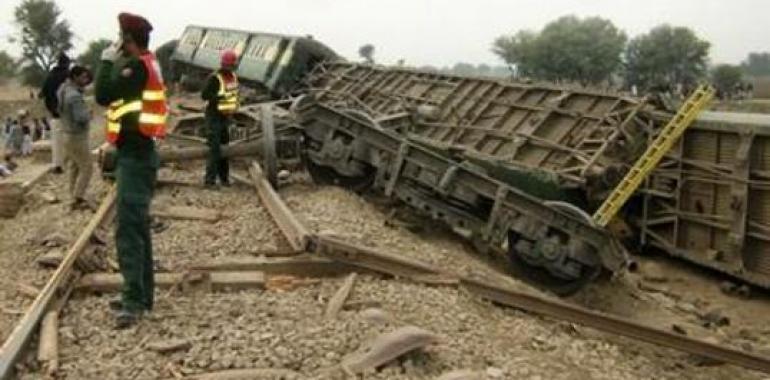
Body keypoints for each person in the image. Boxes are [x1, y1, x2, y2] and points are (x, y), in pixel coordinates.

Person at [95, 12, 167, 328]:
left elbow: (102, 94)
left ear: (128, 40)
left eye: (120, 39)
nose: (117, 45)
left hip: (136, 157)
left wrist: (105, 61)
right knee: (137, 228)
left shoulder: (135, 67)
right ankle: (142, 295)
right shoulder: (147, 64)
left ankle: (134, 300)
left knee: (128, 229)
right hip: (138, 153)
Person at [201, 49, 239, 188]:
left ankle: (224, 179)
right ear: (223, 64)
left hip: (225, 116)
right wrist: (218, 98)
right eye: (227, 65)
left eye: (231, 65)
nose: (229, 68)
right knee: (215, 148)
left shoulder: (233, 77)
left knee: (225, 148)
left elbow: (234, 94)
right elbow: (204, 95)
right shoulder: (215, 78)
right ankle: (209, 181)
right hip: (214, 116)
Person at [58, 65, 94, 210]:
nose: (86, 80)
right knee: (87, 167)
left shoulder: (63, 90)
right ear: (75, 77)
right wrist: (89, 114)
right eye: (83, 77)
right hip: (76, 136)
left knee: (75, 166)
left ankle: (73, 194)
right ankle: (79, 198)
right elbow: (80, 118)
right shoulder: (74, 96)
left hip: (66, 134)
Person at [39, 53, 71, 173]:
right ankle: (72, 163)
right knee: (71, 139)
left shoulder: (50, 76)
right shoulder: (68, 76)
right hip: (68, 113)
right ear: (67, 63)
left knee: (57, 140)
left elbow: (42, 94)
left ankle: (58, 165)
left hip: (54, 113)